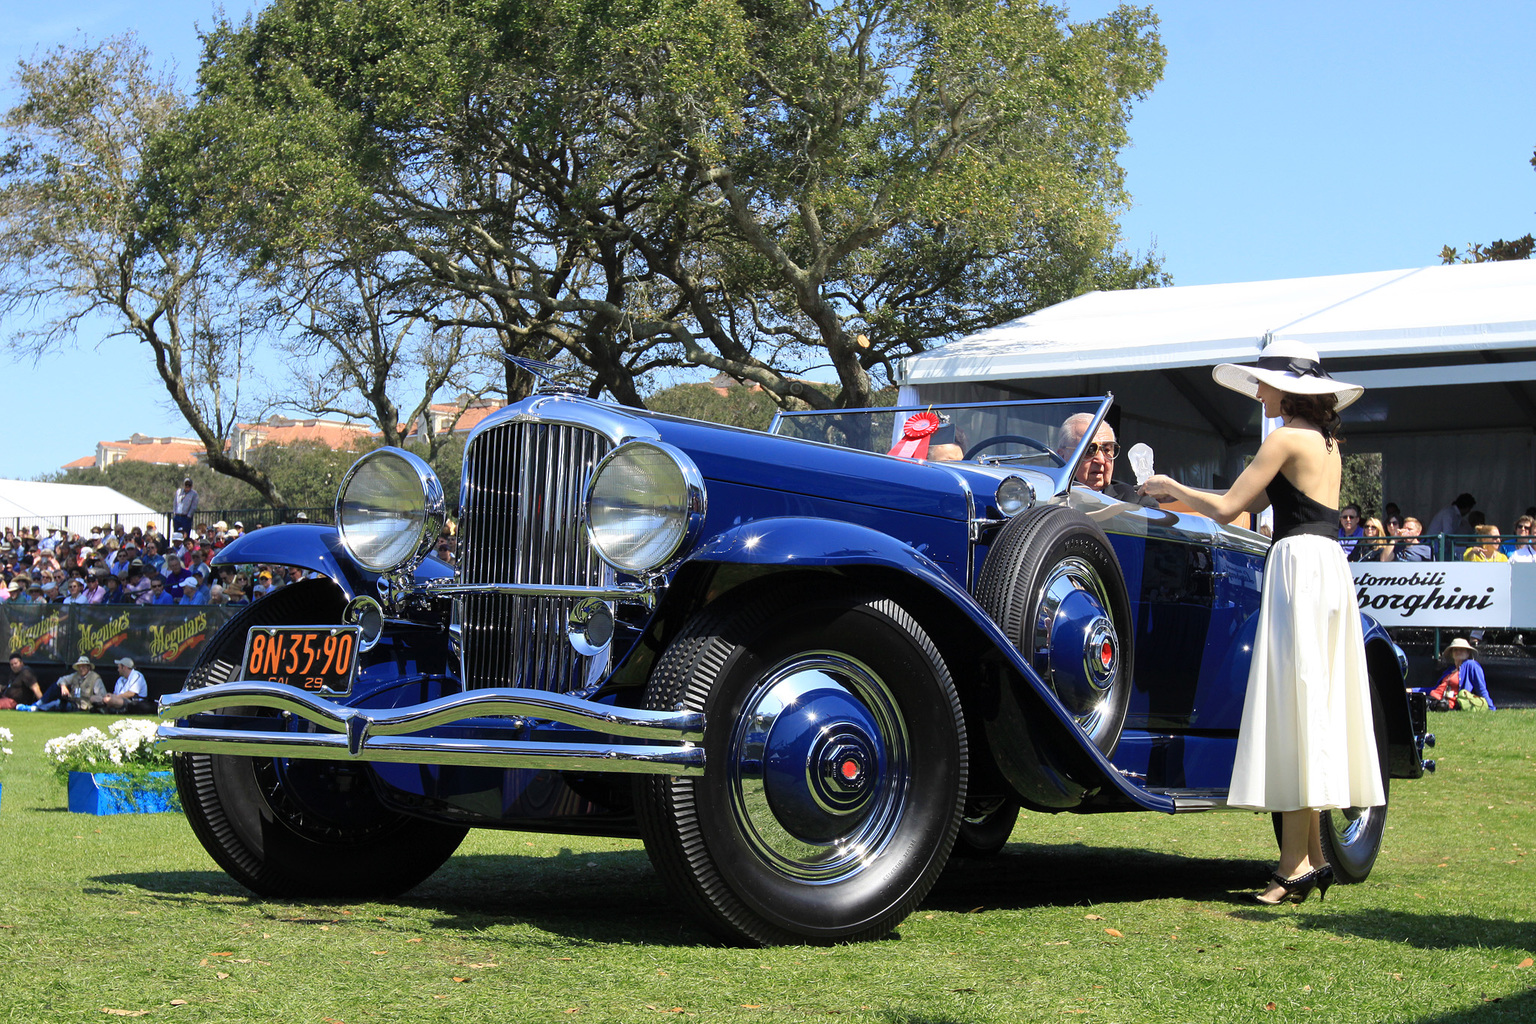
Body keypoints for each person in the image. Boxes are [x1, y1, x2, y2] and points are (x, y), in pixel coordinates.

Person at [1139, 340, 1382, 905]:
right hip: (1329, 570)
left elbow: (1228, 508)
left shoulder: (1285, 439)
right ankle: (1314, 856)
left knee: (1297, 708)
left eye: (1264, 384)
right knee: (1313, 708)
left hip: (1298, 566)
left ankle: (1293, 863)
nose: (1259, 392)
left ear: (1288, 389)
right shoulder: (1328, 441)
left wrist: (1171, 489)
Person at [1055, 413, 1159, 507]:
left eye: (1107, 449)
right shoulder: (1045, 495)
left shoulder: (1135, 501)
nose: (1101, 460)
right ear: (1062, 456)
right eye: (1089, 450)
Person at [34, 656, 107, 712]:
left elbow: (103, 695)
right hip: (73, 703)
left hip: (84, 707)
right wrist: (63, 686)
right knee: (56, 690)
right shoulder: (75, 675)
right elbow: (61, 679)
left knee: (58, 704)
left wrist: (93, 701)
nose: (81, 668)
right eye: (79, 666)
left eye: (83, 666)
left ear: (88, 667)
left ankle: (37, 708)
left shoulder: (95, 678)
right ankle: (38, 705)